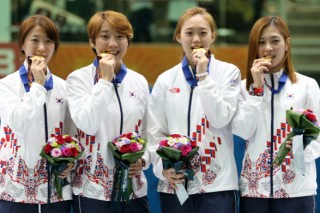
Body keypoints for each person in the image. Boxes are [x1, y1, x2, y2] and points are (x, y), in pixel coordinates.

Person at [147, 7, 241, 213]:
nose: (196, 39)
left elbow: (220, 118)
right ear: (178, 36)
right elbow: (155, 132)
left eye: (203, 33)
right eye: (189, 33)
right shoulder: (165, 80)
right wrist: (164, 170)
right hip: (175, 185)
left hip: (218, 186)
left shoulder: (229, 73)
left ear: (213, 36)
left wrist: (204, 77)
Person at [232, 16, 320, 213]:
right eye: (261, 42)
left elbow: (319, 136)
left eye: (275, 41)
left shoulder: (306, 86)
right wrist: (256, 89)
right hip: (254, 192)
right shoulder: (243, 88)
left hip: (296, 191)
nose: (268, 48)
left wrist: (298, 148)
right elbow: (243, 132)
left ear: (287, 44)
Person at [66, 10, 150, 213]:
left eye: (120, 37)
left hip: (133, 189)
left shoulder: (138, 81)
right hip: (92, 191)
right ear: (92, 42)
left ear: (128, 41)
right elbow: (87, 124)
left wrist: (144, 159)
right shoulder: (78, 79)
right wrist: (104, 80)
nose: (113, 44)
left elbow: (147, 131)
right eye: (104, 36)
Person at [0, 15, 75, 213]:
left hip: (56, 190)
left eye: (48, 41)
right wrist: (38, 87)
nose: (41, 48)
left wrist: (70, 161)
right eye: (35, 40)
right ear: (22, 44)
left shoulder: (64, 87)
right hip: (15, 190)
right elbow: (18, 122)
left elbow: (71, 135)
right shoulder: (6, 85)